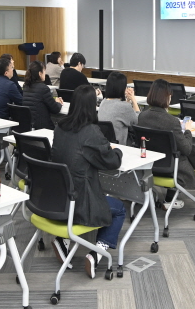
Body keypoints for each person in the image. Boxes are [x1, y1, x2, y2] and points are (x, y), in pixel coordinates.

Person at [51, 84, 125, 279]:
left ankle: (63, 241)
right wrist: (117, 150)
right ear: (92, 106)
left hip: (59, 198)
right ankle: (97, 252)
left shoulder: (60, 127)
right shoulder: (91, 131)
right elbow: (112, 162)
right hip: (80, 201)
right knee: (119, 208)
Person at [138, 79, 195, 209]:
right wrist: (187, 130)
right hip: (172, 169)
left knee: (175, 147)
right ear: (167, 97)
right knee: (185, 149)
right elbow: (186, 149)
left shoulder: (142, 116)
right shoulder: (171, 121)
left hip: (149, 166)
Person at [97, 71, 140, 145]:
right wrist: (133, 100)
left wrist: (127, 101)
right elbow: (138, 121)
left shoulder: (103, 102)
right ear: (122, 88)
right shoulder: (124, 107)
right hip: (121, 146)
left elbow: (121, 114)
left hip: (105, 145)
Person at [22, 61, 63, 130]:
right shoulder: (43, 88)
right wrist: (59, 103)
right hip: (42, 127)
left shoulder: (26, 86)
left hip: (29, 126)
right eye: (44, 71)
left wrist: (54, 100)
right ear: (40, 74)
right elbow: (55, 109)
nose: (45, 73)